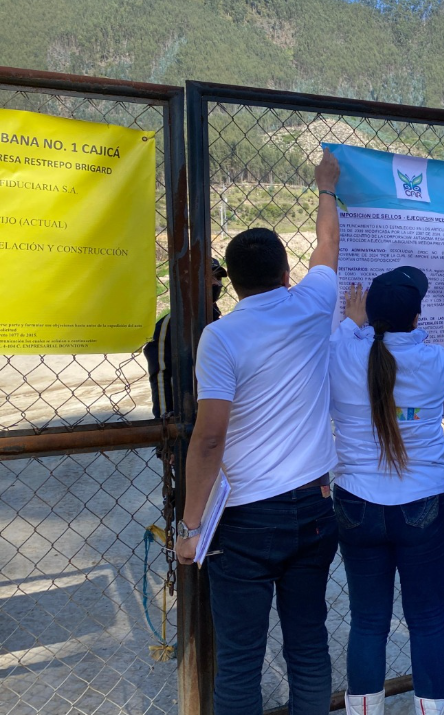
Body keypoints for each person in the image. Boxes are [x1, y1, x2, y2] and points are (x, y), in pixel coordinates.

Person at [172, 150, 343, 715]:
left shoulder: (221, 338)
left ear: (234, 284)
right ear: (285, 273)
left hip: (246, 517)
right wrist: (325, 188)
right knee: (308, 644)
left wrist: (193, 525)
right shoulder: (314, 304)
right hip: (316, 506)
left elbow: (210, 437)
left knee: (242, 658)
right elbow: (329, 248)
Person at [328, 268, 444, 715]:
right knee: (429, 620)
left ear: (372, 317)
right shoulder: (433, 361)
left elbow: (344, 341)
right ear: (418, 318)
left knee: (367, 621)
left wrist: (352, 320)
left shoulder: (344, 352)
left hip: (355, 500)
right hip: (422, 502)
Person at [144, 257, 228, 420]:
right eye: (210, 277)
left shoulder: (218, 320)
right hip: (184, 412)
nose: (217, 283)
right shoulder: (169, 324)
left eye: (218, 278)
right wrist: (165, 420)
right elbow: (161, 374)